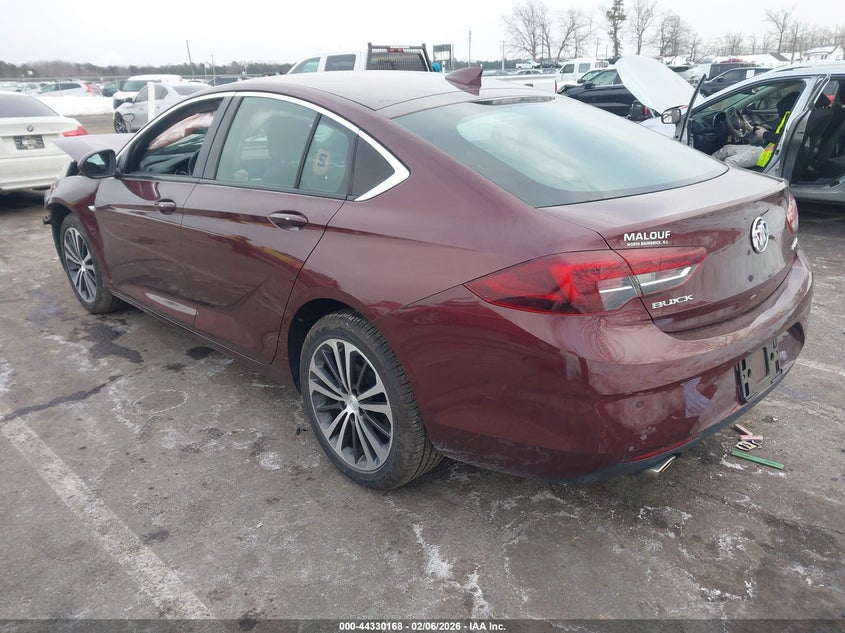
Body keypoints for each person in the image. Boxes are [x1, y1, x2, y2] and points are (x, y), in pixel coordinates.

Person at [712, 91, 799, 169]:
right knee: (726, 149)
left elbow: (784, 139)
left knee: (730, 161)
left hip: (766, 156)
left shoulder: (793, 119)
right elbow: (778, 133)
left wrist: (765, 134)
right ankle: (707, 167)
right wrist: (752, 129)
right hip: (764, 150)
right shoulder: (789, 117)